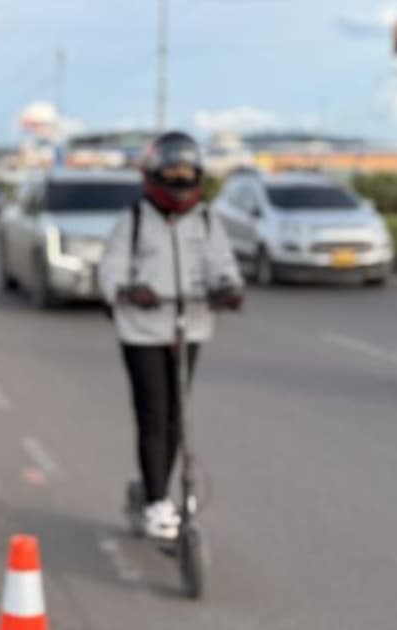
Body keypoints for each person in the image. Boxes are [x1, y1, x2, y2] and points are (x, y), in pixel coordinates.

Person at [99, 131, 244, 540]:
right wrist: (129, 291)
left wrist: (229, 289)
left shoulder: (207, 220)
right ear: (154, 173)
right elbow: (110, 270)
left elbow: (223, 265)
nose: (179, 178)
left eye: (187, 171)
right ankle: (157, 501)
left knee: (178, 415)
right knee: (153, 415)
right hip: (142, 330)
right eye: (171, 170)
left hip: (190, 324)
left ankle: (161, 490)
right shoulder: (135, 219)